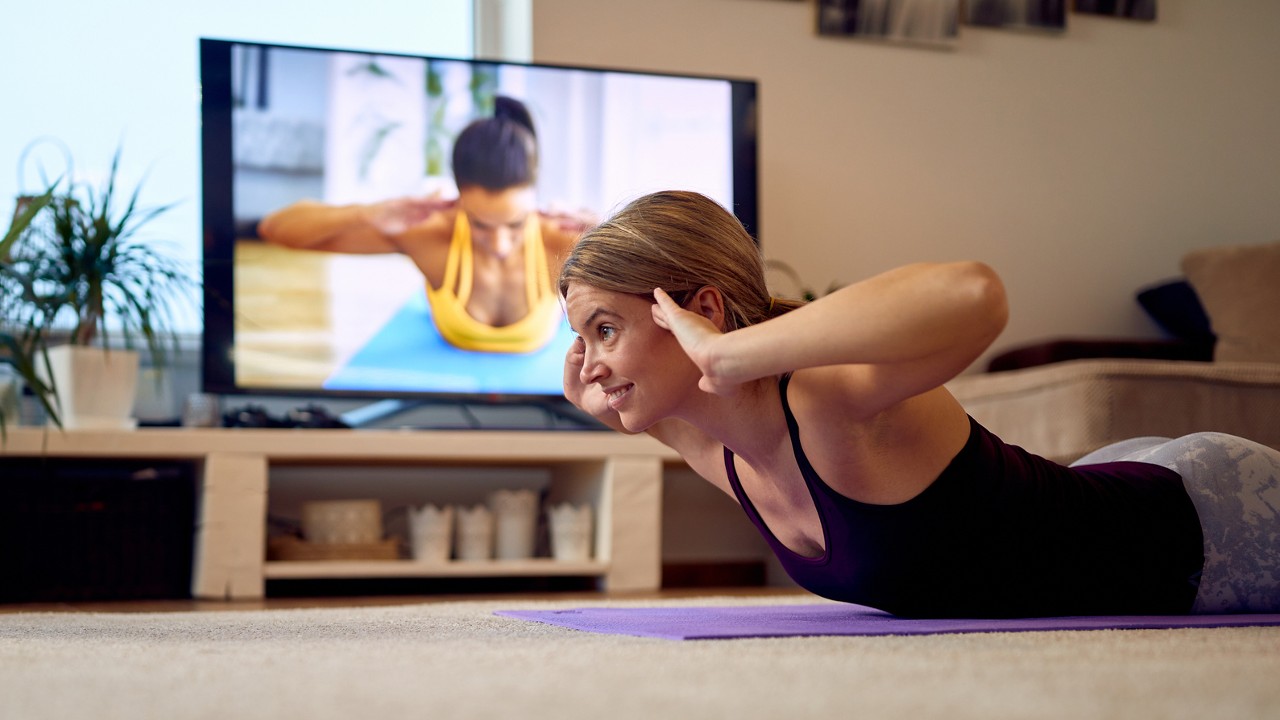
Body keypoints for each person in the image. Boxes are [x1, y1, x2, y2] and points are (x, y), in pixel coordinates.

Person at [559, 189, 1280, 619]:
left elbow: (976, 294)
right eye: (581, 338)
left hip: (1215, 526)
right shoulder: (720, 448)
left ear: (703, 310)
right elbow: (631, 403)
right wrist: (606, 390)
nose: (588, 360)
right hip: (1123, 479)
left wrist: (726, 353)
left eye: (606, 328)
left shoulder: (828, 399)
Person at [258, 96, 592, 353]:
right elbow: (276, 229)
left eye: (516, 224)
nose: (500, 244)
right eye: (480, 225)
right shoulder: (430, 233)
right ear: (458, 198)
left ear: (533, 196)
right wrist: (366, 213)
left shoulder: (561, 240)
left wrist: (606, 229)